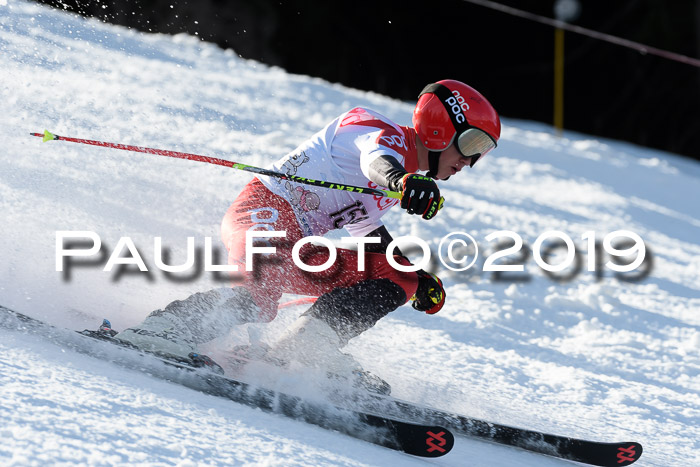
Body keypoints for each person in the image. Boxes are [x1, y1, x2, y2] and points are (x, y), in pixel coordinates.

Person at [115, 79, 501, 394]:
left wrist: (417, 278)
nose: (470, 161)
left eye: (482, 151)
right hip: (261, 212)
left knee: (400, 275)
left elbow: (366, 230)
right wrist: (400, 181)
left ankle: (310, 345)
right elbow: (374, 159)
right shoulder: (374, 129)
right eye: (471, 144)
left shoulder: (393, 179)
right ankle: (164, 330)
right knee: (263, 290)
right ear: (439, 130)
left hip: (299, 245)